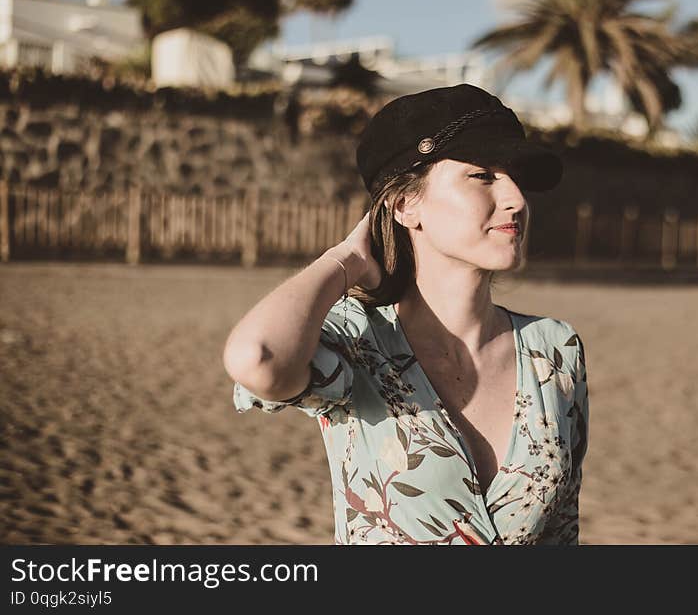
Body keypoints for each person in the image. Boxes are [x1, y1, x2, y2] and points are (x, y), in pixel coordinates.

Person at [223, 83, 589, 545]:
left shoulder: (555, 350)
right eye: (483, 175)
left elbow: (562, 532)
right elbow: (257, 359)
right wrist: (344, 261)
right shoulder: (358, 345)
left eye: (514, 176)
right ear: (405, 204)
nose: (517, 198)